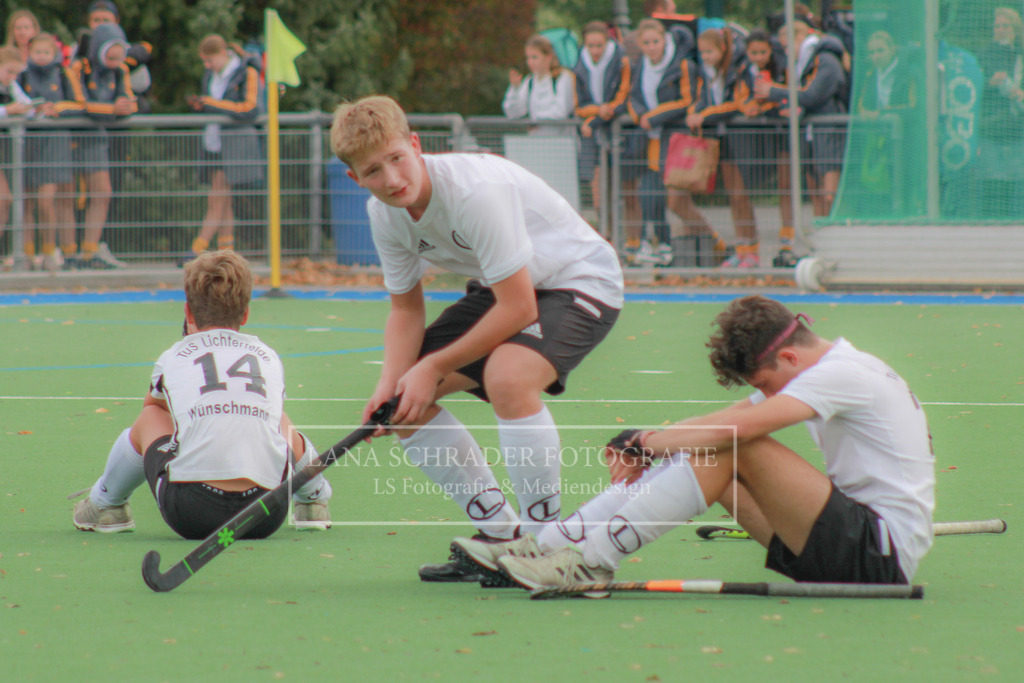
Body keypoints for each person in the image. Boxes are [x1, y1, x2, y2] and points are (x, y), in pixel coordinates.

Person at [330, 95, 624, 583]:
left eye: (397, 158)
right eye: (373, 171)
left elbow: (520, 308)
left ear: (415, 145)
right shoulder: (384, 214)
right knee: (405, 405)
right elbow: (406, 310)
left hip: (579, 280)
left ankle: (545, 545)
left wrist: (430, 367)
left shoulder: (473, 192)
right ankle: (500, 538)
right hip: (508, 286)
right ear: (355, 178)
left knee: (508, 377)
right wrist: (390, 385)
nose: (392, 179)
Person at [456, 295, 935, 593]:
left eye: (766, 385)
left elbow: (736, 432)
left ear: (789, 357)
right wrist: (646, 442)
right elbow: (721, 419)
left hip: (878, 556)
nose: (767, 395)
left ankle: (591, 563)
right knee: (707, 443)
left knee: (734, 445)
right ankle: (547, 546)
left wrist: (650, 442)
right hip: (850, 544)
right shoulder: (827, 367)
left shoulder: (843, 375)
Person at [72, 251, 332, 536]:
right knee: (279, 419)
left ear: (188, 312)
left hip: (192, 512)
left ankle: (105, 504)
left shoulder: (173, 356)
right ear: (246, 313)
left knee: (150, 416)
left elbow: (156, 409)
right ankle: (314, 500)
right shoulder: (267, 356)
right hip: (267, 512)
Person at [628, 18, 723, 267]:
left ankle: (714, 242)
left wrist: (654, 117)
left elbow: (686, 99)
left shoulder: (682, 64)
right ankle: (665, 244)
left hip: (677, 139)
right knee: (651, 195)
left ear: (664, 40)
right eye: (646, 43)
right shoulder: (641, 65)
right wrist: (641, 117)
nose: (651, 47)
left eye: (655, 41)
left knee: (677, 201)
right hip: (651, 140)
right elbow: (633, 96)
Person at [754, 14, 848, 218]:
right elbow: (806, 98)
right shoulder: (805, 62)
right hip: (813, 134)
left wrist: (773, 91)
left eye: (788, 47)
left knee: (830, 195)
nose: (787, 53)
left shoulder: (825, 59)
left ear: (798, 38)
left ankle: (834, 232)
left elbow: (812, 95)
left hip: (830, 132)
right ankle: (820, 234)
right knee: (816, 193)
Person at [185, 35, 264, 260]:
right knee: (225, 200)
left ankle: (197, 249)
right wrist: (201, 106)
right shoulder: (210, 75)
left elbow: (250, 108)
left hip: (234, 145)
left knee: (216, 198)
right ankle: (226, 252)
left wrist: (211, 104)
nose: (207, 66)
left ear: (223, 53)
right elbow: (212, 106)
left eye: (209, 60)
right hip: (213, 143)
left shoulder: (246, 72)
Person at [67, 22, 137, 269]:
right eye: (110, 57)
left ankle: (90, 251)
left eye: (119, 57)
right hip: (72, 139)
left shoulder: (121, 71)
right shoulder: (80, 67)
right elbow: (80, 103)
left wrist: (124, 107)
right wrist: (112, 109)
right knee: (67, 196)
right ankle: (67, 253)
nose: (115, 62)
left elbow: (129, 100)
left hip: (97, 137)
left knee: (102, 192)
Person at [686, 28, 758, 268]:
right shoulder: (706, 73)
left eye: (710, 52)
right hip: (720, 139)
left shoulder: (738, 68)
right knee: (733, 196)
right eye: (702, 52)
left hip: (740, 138)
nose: (705, 57)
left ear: (722, 49)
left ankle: (752, 249)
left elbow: (736, 104)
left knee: (742, 196)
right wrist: (695, 112)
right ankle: (741, 247)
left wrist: (705, 115)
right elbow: (699, 99)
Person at [17, 33, 84, 271]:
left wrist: (57, 109)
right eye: (38, 52)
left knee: (46, 201)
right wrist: (33, 109)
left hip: (55, 142)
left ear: (55, 54)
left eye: (47, 53)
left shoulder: (63, 73)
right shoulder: (22, 74)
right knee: (25, 201)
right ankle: (25, 254)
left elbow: (80, 103)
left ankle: (49, 251)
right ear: (30, 53)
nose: (42, 57)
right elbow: (17, 102)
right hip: (27, 141)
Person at [574, 21, 631, 237]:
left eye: (599, 45)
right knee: (597, 188)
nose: (595, 51)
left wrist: (594, 120)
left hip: (614, 130)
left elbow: (623, 97)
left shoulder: (621, 59)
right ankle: (604, 234)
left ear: (608, 41)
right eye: (591, 46)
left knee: (620, 187)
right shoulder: (579, 63)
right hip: (593, 130)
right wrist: (600, 111)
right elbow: (579, 106)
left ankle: (622, 236)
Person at [975, 7, 1024, 218]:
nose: (1001, 30)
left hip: (1018, 130)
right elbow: (972, 89)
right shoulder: (983, 54)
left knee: (1018, 185)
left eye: (1006, 26)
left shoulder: (1020, 55)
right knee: (992, 183)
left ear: (1015, 29)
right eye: (997, 26)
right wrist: (990, 83)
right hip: (991, 129)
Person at [0, 47, 35, 270]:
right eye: (9, 71)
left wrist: (35, 108)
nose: (12, 77)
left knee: (4, 200)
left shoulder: (10, 86)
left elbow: (27, 106)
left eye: (16, 73)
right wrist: (7, 111)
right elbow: (10, 110)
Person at [502, 34, 576, 133]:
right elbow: (513, 113)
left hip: (561, 140)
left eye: (534, 57)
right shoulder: (529, 81)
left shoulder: (563, 78)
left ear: (548, 57)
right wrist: (514, 89)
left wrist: (536, 121)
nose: (530, 62)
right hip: (537, 140)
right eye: (528, 58)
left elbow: (561, 112)